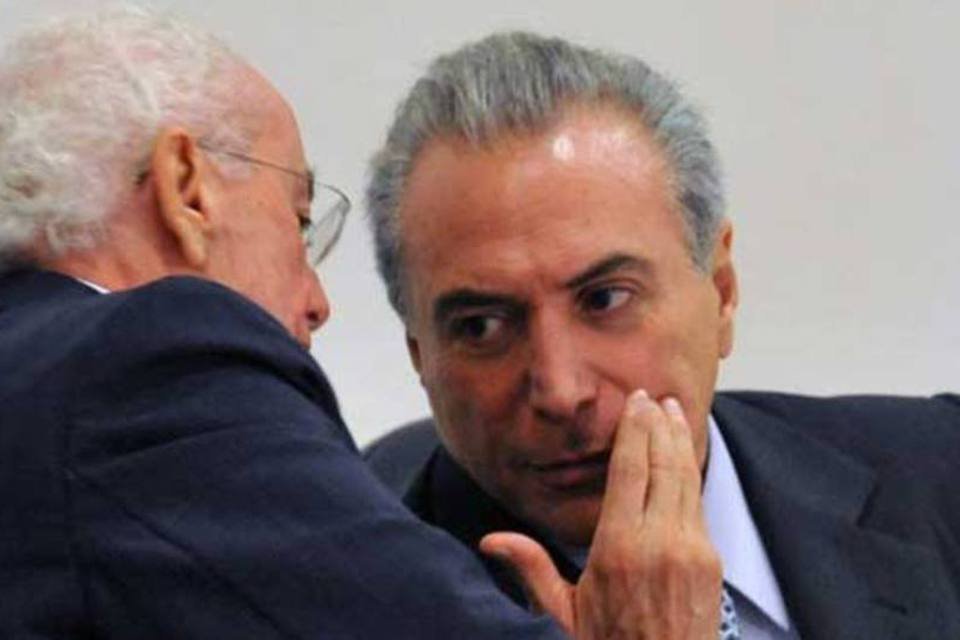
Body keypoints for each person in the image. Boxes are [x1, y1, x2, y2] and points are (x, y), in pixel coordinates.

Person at [0, 8, 721, 639]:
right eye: (299, 223)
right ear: (187, 189)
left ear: (722, 290)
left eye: (604, 299)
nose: (317, 301)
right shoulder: (150, 366)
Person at [363, 31, 960, 640]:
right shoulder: (351, 602)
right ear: (419, 353)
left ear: (722, 291)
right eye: (482, 327)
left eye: (605, 299)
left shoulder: (940, 475)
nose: (561, 392)